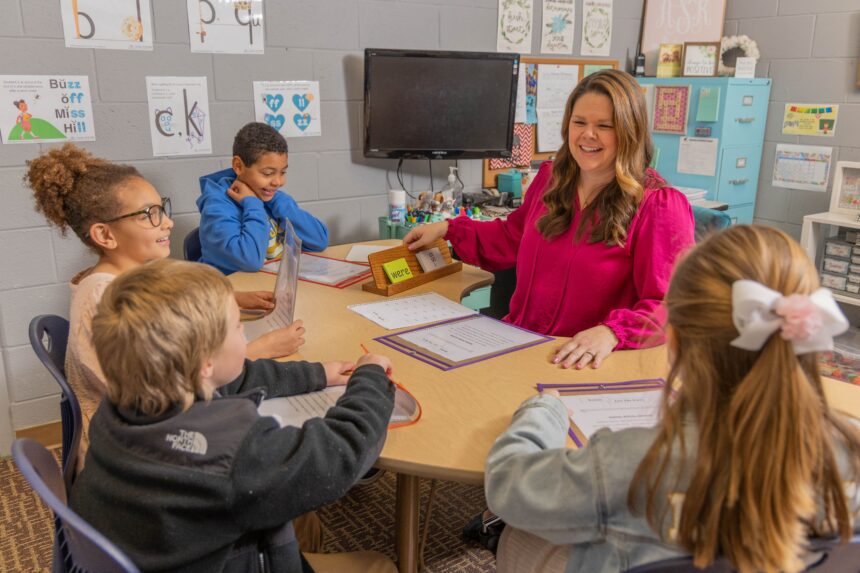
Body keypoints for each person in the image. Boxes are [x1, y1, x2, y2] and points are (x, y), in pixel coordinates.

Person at [484, 225, 860, 573]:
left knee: (520, 537)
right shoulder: (851, 450)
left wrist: (543, 410)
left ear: (674, 340)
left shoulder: (627, 460)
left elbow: (508, 485)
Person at [70, 259, 398, 573]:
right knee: (379, 564)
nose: (245, 336)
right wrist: (370, 377)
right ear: (205, 363)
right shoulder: (232, 453)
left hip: (156, 549)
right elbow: (343, 452)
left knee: (303, 523)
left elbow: (235, 376)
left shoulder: (119, 405)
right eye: (239, 326)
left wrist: (317, 374)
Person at [26, 143, 306, 465]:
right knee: (274, 445)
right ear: (105, 235)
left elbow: (172, 314)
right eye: (150, 214)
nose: (168, 223)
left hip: (144, 437)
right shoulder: (101, 302)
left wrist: (232, 299)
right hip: (134, 455)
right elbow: (162, 391)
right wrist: (260, 349)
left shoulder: (129, 280)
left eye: (163, 209)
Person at [404, 69, 694, 370]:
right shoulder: (551, 180)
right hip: (519, 344)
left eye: (604, 126)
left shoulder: (658, 205)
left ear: (629, 131)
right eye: (579, 122)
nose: (587, 135)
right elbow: (511, 238)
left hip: (581, 363)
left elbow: (669, 304)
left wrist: (612, 332)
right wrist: (448, 229)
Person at [197, 122, 328, 274]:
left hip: (271, 286)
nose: (278, 182)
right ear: (238, 166)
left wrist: (278, 201)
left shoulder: (270, 197)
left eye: (283, 172)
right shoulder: (217, 207)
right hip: (236, 293)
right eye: (267, 173)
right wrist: (252, 205)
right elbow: (250, 262)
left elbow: (319, 241)